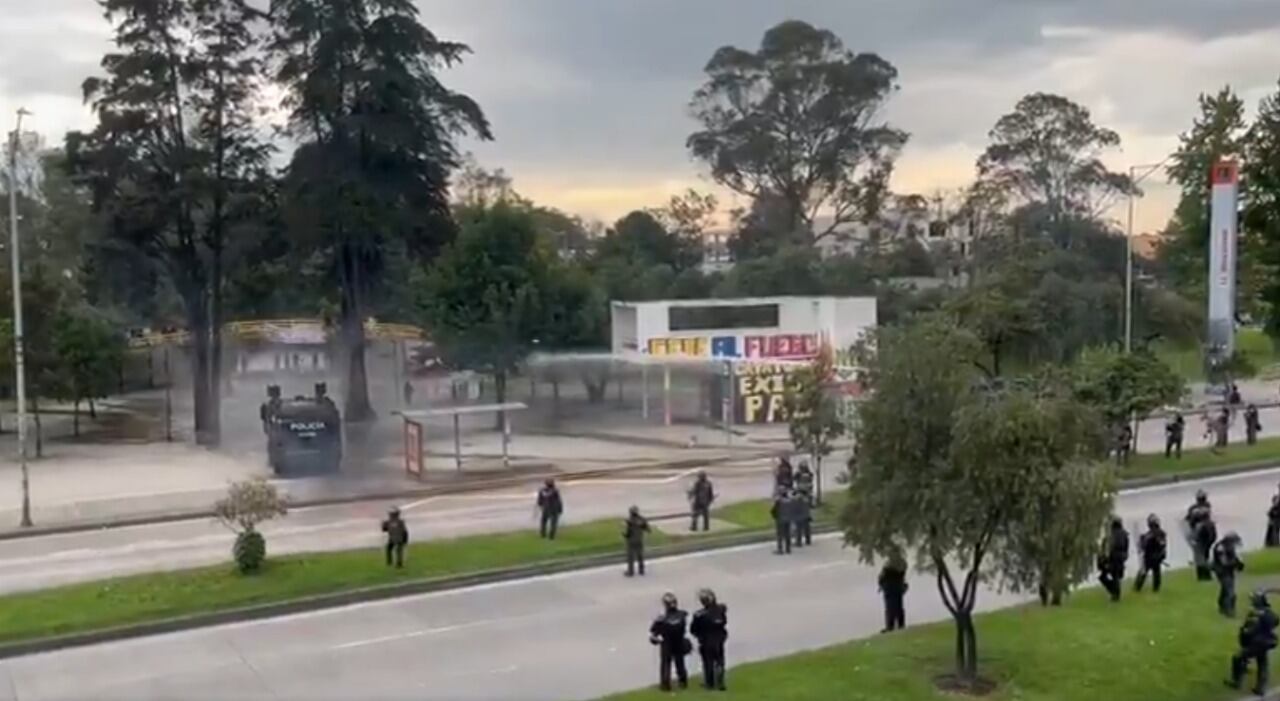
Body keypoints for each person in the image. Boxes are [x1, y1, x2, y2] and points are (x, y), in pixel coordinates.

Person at [1228, 590, 1280, 696]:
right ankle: (1260, 688)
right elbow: (1275, 622)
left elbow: (1248, 630)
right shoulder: (1267, 612)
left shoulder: (1255, 613)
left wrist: (1245, 634)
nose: (1252, 601)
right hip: (1266, 642)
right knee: (1262, 663)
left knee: (1238, 657)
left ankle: (1236, 682)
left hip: (1257, 643)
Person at [649, 592, 690, 691]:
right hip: (679, 641)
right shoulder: (682, 615)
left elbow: (653, 632)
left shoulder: (661, 619)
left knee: (666, 664)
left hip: (667, 643)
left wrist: (656, 639)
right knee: (680, 662)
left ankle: (665, 684)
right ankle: (683, 681)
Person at [690, 588, 728, 691]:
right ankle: (720, 682)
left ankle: (710, 683)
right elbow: (724, 622)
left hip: (706, 641)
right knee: (720, 660)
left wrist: (699, 636)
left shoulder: (699, 615)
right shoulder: (720, 609)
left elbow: (693, 630)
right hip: (719, 639)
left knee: (708, 662)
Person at [1213, 532, 1246, 617]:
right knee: (1230, 592)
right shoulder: (1221, 548)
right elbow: (1224, 563)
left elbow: (1233, 559)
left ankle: (1222, 606)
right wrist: (1236, 562)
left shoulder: (1229, 547)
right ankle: (1229, 611)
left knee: (1225, 590)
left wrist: (1239, 564)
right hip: (1222, 572)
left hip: (1228, 571)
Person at [1097, 517, 1129, 602]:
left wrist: (1103, 560)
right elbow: (1126, 547)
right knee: (1115, 576)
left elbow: (1105, 548)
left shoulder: (1110, 535)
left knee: (1107, 576)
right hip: (1121, 557)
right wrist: (1125, 556)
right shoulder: (1124, 534)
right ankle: (1114, 592)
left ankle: (1115, 595)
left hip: (1112, 557)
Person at [1187, 490, 1216, 581]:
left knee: (1200, 555)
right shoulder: (1206, 506)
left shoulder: (1194, 508)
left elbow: (1189, 521)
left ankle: (1202, 575)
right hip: (1204, 534)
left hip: (1201, 534)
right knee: (1204, 554)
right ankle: (1205, 575)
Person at [1135, 514, 1168, 593]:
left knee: (1145, 572)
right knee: (1155, 573)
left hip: (1151, 557)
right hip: (1154, 556)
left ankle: (1138, 587)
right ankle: (1155, 588)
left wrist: (1142, 541)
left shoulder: (1153, 534)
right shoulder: (1155, 533)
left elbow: (1144, 546)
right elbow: (1162, 544)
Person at [878, 550, 909, 632]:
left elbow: (882, 576)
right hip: (898, 587)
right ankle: (901, 625)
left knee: (890, 608)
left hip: (889, 588)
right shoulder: (902, 563)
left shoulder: (888, 564)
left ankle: (890, 627)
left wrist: (881, 584)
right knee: (899, 607)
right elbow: (903, 574)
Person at [623, 506, 650, 577]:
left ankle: (630, 572)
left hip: (631, 541)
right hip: (639, 539)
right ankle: (641, 570)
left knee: (630, 557)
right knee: (640, 555)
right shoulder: (642, 519)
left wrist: (624, 536)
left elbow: (628, 532)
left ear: (631, 512)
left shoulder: (629, 521)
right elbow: (648, 530)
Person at [770, 489, 793, 555]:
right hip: (788, 519)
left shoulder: (779, 502)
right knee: (787, 534)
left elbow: (773, 510)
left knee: (780, 535)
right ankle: (788, 549)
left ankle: (780, 549)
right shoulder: (790, 501)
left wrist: (775, 517)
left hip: (780, 520)